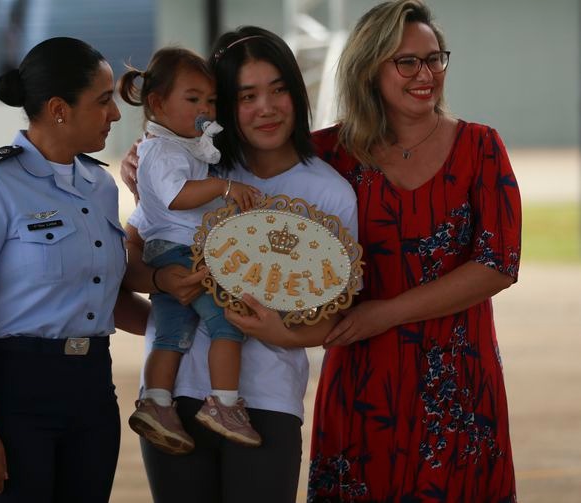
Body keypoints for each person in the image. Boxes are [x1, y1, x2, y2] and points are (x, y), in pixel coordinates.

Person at [226, 2, 521, 501]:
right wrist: (148, 157)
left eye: (435, 59)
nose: (425, 74)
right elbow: (230, 165)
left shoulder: (480, 147)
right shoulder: (327, 156)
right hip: (363, 384)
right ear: (370, 68)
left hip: (460, 385)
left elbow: (498, 264)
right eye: (407, 62)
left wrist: (384, 315)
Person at [121, 26, 358, 502]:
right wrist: (164, 283)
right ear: (219, 105)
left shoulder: (330, 192)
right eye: (246, 95)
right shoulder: (193, 170)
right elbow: (125, 269)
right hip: (173, 399)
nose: (265, 108)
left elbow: (335, 315)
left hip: (265, 403)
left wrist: (281, 333)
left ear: (298, 91)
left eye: (278, 89)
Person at [0, 37, 147, 502]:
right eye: (103, 100)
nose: (114, 114)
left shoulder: (100, 186)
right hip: (12, 397)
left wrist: (187, 327)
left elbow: (106, 296)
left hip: (92, 392)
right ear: (58, 109)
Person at [117, 47, 263, 454]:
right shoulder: (163, 151)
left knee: (171, 335)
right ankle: (225, 403)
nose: (205, 108)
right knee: (227, 325)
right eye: (193, 98)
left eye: (211, 100)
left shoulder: (177, 145)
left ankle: (157, 402)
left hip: (170, 251)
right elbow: (177, 195)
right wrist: (226, 188)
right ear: (157, 104)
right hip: (183, 251)